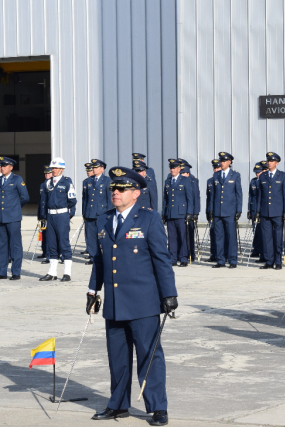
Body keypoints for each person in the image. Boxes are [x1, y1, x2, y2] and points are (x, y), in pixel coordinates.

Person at [87, 166, 177, 426]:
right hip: (115, 303)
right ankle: (118, 405)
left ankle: (158, 407)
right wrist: (93, 291)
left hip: (143, 302)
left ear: (135, 193)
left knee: (150, 356)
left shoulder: (149, 219)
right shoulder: (104, 220)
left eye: (121, 189)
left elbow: (162, 260)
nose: (115, 192)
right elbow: (100, 261)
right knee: (117, 357)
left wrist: (169, 295)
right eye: (113, 188)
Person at [33, 158, 76, 281]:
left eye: (56, 168)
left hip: (62, 215)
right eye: (53, 168)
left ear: (62, 169)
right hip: (50, 216)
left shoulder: (67, 182)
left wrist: (68, 215)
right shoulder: (48, 183)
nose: (54, 170)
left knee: (63, 243)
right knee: (51, 244)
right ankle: (52, 272)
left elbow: (72, 201)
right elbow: (44, 202)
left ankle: (67, 273)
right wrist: (43, 216)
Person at [256, 152, 285, 270]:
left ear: (277, 163)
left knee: (277, 237)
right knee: (267, 238)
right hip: (265, 211)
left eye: (272, 161)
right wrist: (257, 210)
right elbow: (260, 195)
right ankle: (269, 261)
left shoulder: (283, 176)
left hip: (278, 212)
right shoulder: (263, 176)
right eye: (268, 161)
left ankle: (278, 261)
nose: (269, 163)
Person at [210, 152, 242, 268]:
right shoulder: (216, 175)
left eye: (224, 161)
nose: (222, 163)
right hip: (218, 211)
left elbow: (239, 193)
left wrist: (239, 209)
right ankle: (220, 260)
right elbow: (213, 195)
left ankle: (232, 260)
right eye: (221, 161)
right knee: (219, 236)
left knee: (231, 236)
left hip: (230, 211)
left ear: (230, 162)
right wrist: (212, 209)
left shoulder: (235, 175)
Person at [162, 159, 194, 267]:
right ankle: (172, 258)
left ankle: (183, 258)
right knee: (171, 238)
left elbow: (190, 198)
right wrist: (164, 213)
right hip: (171, 213)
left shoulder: (185, 180)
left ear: (179, 169)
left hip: (181, 214)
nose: (172, 170)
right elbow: (165, 199)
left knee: (182, 237)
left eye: (174, 168)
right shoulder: (167, 181)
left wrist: (189, 213)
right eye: (171, 168)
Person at [82, 159, 111, 265]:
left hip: (102, 213)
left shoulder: (107, 181)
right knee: (91, 237)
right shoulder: (87, 181)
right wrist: (84, 212)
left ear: (102, 169)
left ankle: (104, 257)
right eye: (93, 167)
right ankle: (93, 257)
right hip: (90, 213)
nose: (94, 169)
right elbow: (85, 199)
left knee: (102, 237)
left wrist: (109, 213)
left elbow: (109, 199)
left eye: (96, 167)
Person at [180, 161, 199, 263]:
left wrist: (195, 212)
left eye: (184, 173)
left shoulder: (193, 181)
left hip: (190, 212)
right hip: (180, 212)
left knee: (189, 234)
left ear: (188, 173)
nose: (182, 175)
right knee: (181, 235)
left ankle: (191, 253)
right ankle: (182, 253)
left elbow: (196, 198)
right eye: (181, 173)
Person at [248, 161, 267, 261]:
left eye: (259, 172)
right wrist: (249, 209)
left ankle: (263, 252)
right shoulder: (253, 181)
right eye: (256, 172)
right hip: (254, 209)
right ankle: (256, 249)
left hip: (262, 210)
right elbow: (251, 196)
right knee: (255, 231)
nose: (257, 174)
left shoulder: (265, 181)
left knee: (262, 232)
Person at [204, 159, 221, 262]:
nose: (215, 170)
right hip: (212, 211)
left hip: (222, 211)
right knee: (213, 233)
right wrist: (208, 210)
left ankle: (224, 255)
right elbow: (209, 198)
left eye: (217, 167)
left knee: (222, 234)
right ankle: (214, 254)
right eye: (214, 168)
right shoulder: (210, 181)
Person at [79, 162, 95, 257]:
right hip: (88, 211)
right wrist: (83, 212)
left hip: (96, 212)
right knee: (88, 232)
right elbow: (84, 198)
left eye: (90, 170)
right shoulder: (85, 182)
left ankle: (93, 250)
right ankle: (89, 248)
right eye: (87, 171)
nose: (88, 172)